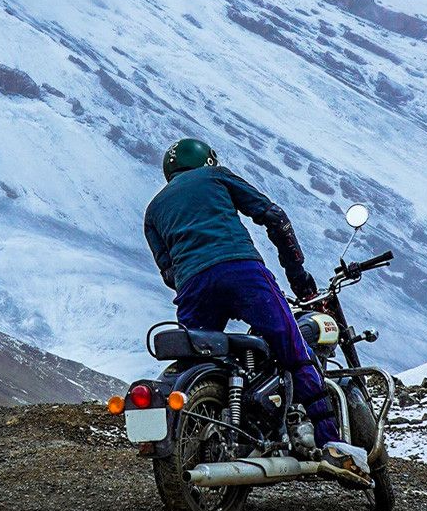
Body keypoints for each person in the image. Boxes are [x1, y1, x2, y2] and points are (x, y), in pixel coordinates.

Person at [143, 137, 371, 486]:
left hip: (193, 287)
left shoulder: (154, 210)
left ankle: (201, 432)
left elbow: (168, 271)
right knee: (295, 351)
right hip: (242, 271)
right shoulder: (217, 177)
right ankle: (331, 445)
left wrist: (201, 283)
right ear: (207, 161)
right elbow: (275, 219)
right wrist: (299, 279)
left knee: (201, 361)